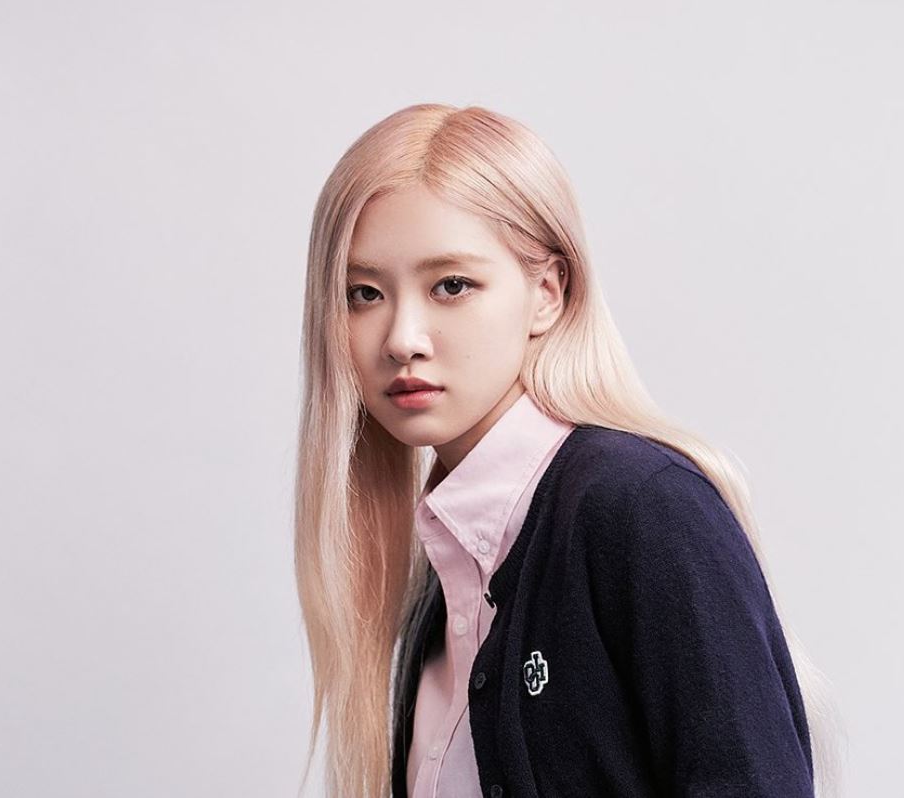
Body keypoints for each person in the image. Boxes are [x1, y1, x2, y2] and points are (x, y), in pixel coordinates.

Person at [293, 103, 843, 798]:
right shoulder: (438, 575)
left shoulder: (641, 508)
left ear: (548, 293)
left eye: (451, 286)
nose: (403, 338)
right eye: (363, 293)